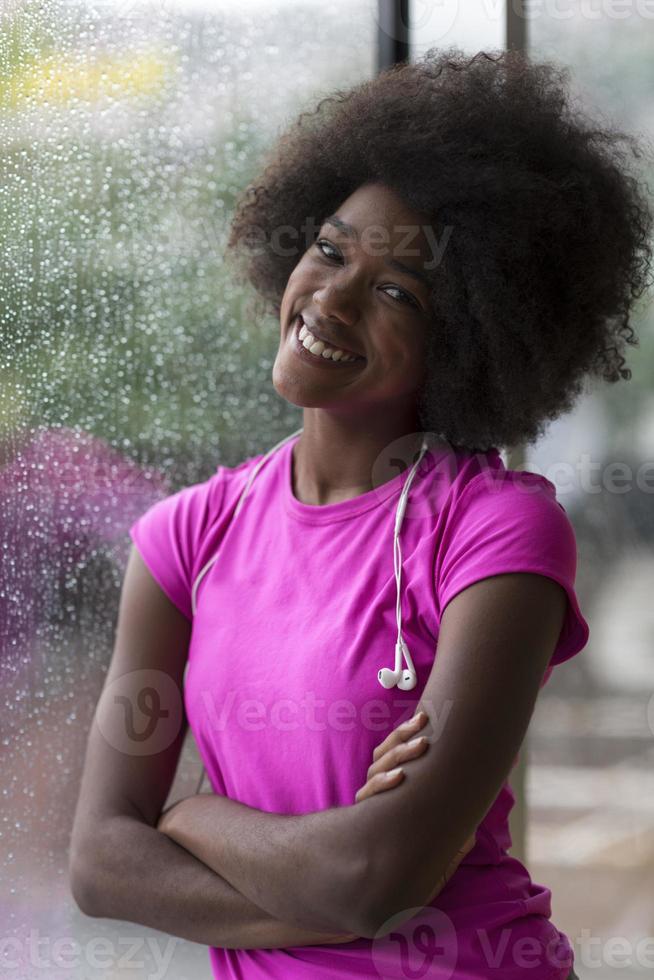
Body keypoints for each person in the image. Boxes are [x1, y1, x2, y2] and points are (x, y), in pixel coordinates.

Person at [69, 47, 653, 980]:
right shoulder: (185, 538)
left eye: (395, 292)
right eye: (329, 249)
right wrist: (342, 886)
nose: (331, 299)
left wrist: (191, 818)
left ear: (467, 337)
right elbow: (102, 865)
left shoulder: (495, 531)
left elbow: (382, 873)